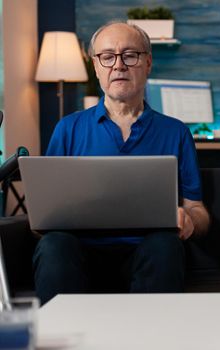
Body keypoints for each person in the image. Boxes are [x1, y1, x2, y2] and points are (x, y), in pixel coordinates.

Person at [33, 22, 210, 304]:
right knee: (54, 244)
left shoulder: (176, 132)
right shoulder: (67, 129)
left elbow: (197, 209)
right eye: (107, 56)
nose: (119, 65)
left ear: (148, 63)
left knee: (166, 244)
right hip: (80, 254)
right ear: (96, 66)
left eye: (130, 55)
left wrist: (189, 221)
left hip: (148, 252)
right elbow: (40, 220)